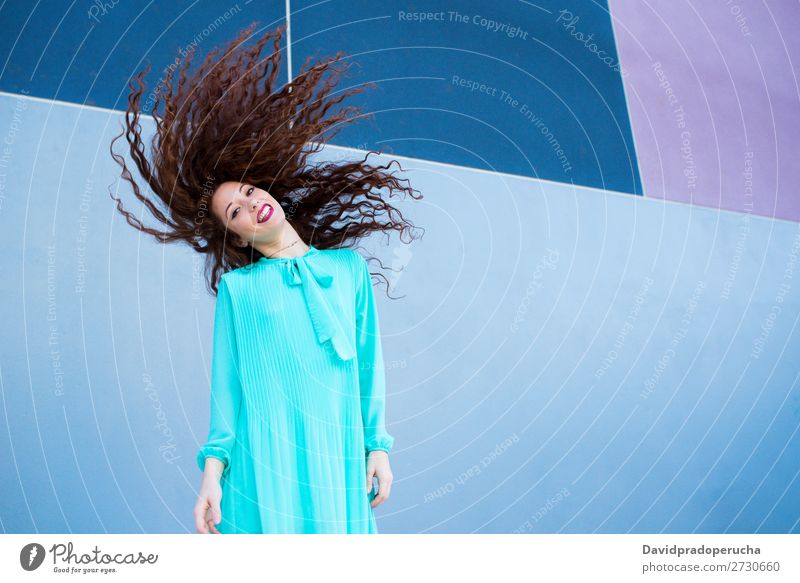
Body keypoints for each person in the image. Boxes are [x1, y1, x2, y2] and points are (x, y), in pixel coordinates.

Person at [108, 22, 423, 533]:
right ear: (235, 239)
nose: (250, 204)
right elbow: (226, 390)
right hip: (265, 461)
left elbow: (369, 366)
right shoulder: (240, 290)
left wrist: (378, 448)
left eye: (250, 191)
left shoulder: (346, 270)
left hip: (336, 452)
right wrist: (211, 477)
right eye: (234, 211)